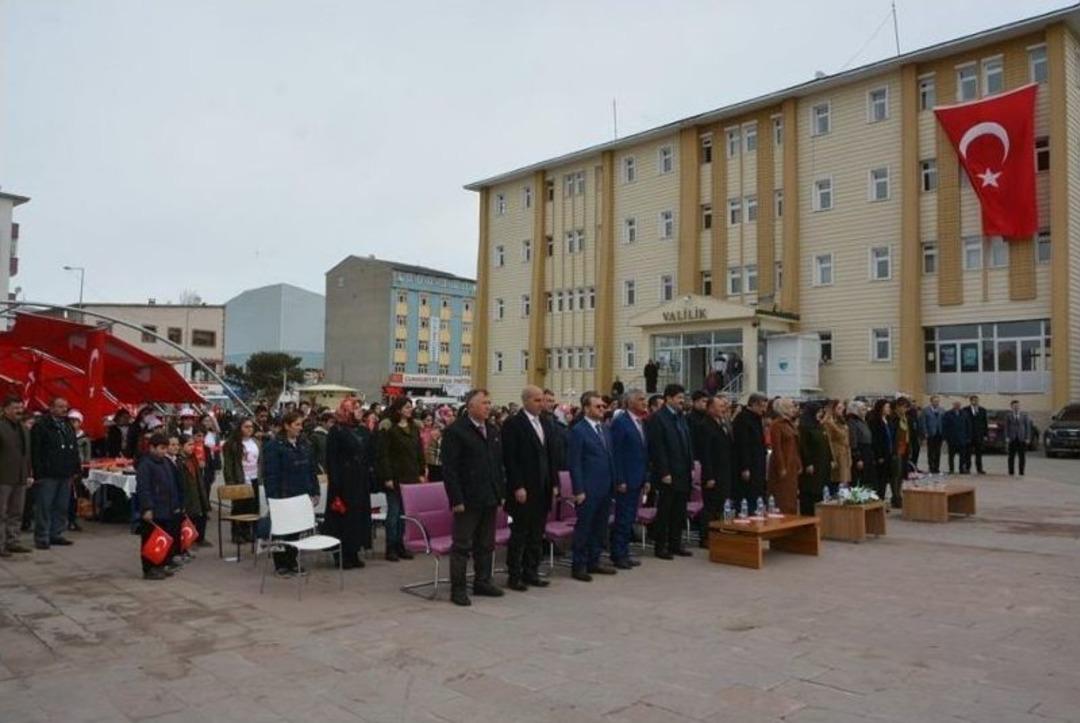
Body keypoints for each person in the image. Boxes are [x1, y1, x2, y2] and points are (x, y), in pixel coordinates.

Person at [441, 389, 505, 607]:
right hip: (467, 499)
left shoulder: (493, 430)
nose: (488, 406)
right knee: (462, 545)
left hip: (489, 496)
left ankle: (483, 581)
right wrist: (456, 499)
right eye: (484, 403)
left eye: (489, 402)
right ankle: (458, 589)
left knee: (486, 543)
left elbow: (497, 465)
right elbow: (450, 469)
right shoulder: (457, 431)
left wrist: (500, 493)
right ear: (470, 406)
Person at [501, 385, 559, 590]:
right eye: (537, 400)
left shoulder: (545, 422)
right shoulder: (513, 424)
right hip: (524, 488)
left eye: (543, 400)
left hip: (543, 486)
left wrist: (554, 483)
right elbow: (511, 459)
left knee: (537, 533)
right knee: (520, 533)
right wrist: (517, 486)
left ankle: (531, 571)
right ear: (526, 401)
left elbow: (551, 456)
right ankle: (514, 575)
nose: (542, 404)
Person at [262, 411, 320, 576]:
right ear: (286, 426)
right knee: (281, 531)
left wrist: (314, 491)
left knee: (297, 530)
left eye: (301, 425)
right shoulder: (274, 446)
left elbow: (311, 469)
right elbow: (270, 474)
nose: (300, 428)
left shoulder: (304, 444)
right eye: (296, 425)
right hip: (283, 495)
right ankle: (280, 563)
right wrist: (272, 498)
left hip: (301, 494)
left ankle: (292, 560)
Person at [567, 391, 617, 580]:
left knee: (600, 526)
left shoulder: (604, 428)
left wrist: (614, 480)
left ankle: (594, 561)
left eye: (603, 406)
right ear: (586, 408)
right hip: (588, 488)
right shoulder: (579, 430)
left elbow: (610, 456)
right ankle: (579, 565)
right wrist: (578, 489)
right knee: (585, 527)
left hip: (605, 485)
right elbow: (575, 463)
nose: (602, 409)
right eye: (598, 406)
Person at [324, 397, 373, 569]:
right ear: (348, 410)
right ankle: (341, 554)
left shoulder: (363, 430)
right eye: (357, 408)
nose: (361, 411)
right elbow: (332, 459)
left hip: (360, 479)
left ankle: (353, 551)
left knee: (357, 516)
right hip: (343, 481)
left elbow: (368, 453)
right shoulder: (336, 431)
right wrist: (335, 483)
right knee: (343, 517)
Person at [645, 383, 694, 560]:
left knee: (679, 511)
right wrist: (664, 472)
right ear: (669, 399)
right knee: (665, 511)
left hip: (683, 471)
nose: (683, 401)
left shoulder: (681, 417)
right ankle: (660, 546)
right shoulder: (658, 418)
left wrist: (691, 467)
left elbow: (687, 444)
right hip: (668, 474)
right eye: (679, 398)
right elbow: (658, 448)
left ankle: (676, 543)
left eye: (683, 397)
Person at [376, 397, 425, 562]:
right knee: (394, 513)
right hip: (395, 476)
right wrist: (387, 476)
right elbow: (383, 455)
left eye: (410, 407)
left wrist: (421, 470)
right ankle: (391, 547)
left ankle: (401, 545)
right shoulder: (389, 428)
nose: (409, 410)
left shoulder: (414, 428)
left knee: (405, 514)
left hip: (411, 476)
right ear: (398, 410)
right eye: (406, 407)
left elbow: (419, 451)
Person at [29, 397, 80, 550]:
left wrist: (75, 468)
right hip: (48, 473)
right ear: (51, 408)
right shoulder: (41, 426)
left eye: (66, 406)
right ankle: (42, 536)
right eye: (60, 406)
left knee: (61, 505)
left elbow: (74, 448)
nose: (64, 409)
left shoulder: (68, 425)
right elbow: (35, 451)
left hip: (65, 473)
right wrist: (39, 472)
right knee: (45, 505)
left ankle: (56, 533)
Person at [609, 388, 649, 568]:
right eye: (640, 399)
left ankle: (624, 551)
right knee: (623, 518)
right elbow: (616, 453)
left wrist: (646, 478)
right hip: (626, 479)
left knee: (630, 517)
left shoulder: (640, 422)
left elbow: (643, 452)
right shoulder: (621, 422)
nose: (644, 402)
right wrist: (620, 479)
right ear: (630, 402)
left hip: (638, 477)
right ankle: (618, 554)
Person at [136, 433, 182, 580]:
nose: (164, 451)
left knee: (163, 539)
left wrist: (176, 504)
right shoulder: (145, 465)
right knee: (150, 539)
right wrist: (147, 508)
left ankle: (161, 564)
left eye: (165, 448)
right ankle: (149, 568)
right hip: (153, 509)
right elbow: (143, 488)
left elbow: (173, 485)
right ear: (152, 448)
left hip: (167, 508)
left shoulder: (166, 463)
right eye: (161, 448)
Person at [694, 395, 733, 542]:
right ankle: (706, 538)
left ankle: (717, 534)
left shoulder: (721, 423)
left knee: (721, 505)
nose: (724, 409)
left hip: (724, 470)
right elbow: (705, 453)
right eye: (720, 406)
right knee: (710, 506)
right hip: (713, 473)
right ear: (710, 408)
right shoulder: (705, 425)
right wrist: (709, 476)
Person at [0, 396, 33, 557]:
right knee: (1, 513)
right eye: (15, 408)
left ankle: (13, 541)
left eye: (20, 408)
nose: (19, 411)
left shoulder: (24, 428)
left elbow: (27, 454)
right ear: (5, 409)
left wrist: (28, 473)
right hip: (3, 476)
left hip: (20, 476)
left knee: (16, 511)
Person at [222, 418, 261, 543]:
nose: (249, 429)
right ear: (240, 428)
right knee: (239, 507)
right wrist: (230, 482)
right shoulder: (232, 444)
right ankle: (236, 533)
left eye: (251, 427)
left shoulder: (256, 442)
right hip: (240, 479)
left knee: (252, 507)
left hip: (254, 477)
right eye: (246, 426)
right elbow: (228, 465)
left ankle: (247, 531)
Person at [732, 393, 769, 505]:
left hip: (758, 462)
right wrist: (745, 467)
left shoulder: (757, 418)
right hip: (749, 464)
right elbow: (743, 444)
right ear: (753, 404)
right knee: (749, 495)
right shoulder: (743, 419)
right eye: (762, 406)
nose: (763, 410)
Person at [797, 402, 832, 516]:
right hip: (812, 464)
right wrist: (808, 463)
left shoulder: (819, 425)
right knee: (810, 492)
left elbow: (826, 443)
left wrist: (830, 459)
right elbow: (804, 446)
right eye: (818, 412)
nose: (820, 414)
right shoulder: (804, 427)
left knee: (820, 490)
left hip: (822, 463)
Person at [177, 434, 210, 553]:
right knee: (189, 518)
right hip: (187, 493)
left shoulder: (193, 458)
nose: (192, 447)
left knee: (201, 515)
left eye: (193, 445)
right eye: (189, 445)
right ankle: (187, 543)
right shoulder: (179, 461)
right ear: (181, 446)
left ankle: (199, 538)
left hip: (197, 490)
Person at [767, 398, 801, 515]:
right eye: (791, 407)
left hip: (792, 464)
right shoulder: (777, 425)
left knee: (791, 495)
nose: (793, 410)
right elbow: (777, 448)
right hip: (783, 464)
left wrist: (798, 463)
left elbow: (795, 445)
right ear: (783, 409)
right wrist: (781, 467)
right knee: (782, 496)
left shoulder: (790, 424)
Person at [869, 400, 898, 507]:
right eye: (886, 407)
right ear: (881, 408)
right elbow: (876, 440)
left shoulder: (888, 420)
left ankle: (882, 499)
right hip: (881, 455)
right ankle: (878, 500)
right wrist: (879, 455)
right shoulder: (875, 421)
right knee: (879, 479)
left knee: (886, 479)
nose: (888, 409)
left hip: (889, 453)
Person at [822, 400, 852, 494]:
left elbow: (847, 439)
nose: (841, 410)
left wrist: (849, 456)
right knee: (835, 479)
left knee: (844, 481)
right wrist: (832, 458)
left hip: (844, 452)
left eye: (842, 408)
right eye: (838, 408)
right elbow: (829, 441)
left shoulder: (842, 421)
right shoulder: (828, 422)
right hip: (836, 452)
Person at [846, 401, 876, 490]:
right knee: (859, 477)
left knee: (868, 477)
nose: (865, 411)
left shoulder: (863, 421)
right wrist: (858, 458)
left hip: (867, 450)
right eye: (862, 410)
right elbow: (853, 440)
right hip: (860, 450)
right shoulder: (852, 422)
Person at [942, 400, 973, 474]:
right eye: (956, 405)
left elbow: (968, 426)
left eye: (958, 405)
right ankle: (951, 469)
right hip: (952, 439)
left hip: (962, 439)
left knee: (962, 456)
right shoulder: (948, 414)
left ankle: (961, 469)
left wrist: (968, 437)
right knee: (951, 456)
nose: (957, 406)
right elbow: (945, 426)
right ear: (953, 405)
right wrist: (945, 438)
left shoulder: (965, 414)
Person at [1004, 399, 1032, 476]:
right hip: (1012, 438)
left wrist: (1027, 437)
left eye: (1017, 406)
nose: (1016, 407)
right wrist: (1007, 437)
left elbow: (1027, 427)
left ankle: (1021, 472)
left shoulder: (1024, 415)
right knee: (1011, 457)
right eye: (1014, 406)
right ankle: (1011, 471)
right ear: (1011, 407)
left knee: (1022, 456)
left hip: (1021, 438)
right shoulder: (1008, 415)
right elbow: (1006, 427)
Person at [919, 395, 946, 474]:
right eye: (935, 401)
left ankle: (936, 468)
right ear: (931, 402)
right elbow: (923, 423)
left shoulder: (942, 410)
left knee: (938, 451)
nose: (936, 403)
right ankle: (931, 467)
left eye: (937, 401)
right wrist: (925, 432)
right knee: (931, 452)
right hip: (930, 433)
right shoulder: (926, 410)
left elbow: (944, 422)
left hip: (939, 433)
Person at [962, 395, 988, 474]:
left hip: (979, 435)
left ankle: (979, 469)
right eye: (974, 400)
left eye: (977, 400)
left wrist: (985, 434)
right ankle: (967, 468)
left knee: (979, 454)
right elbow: (963, 423)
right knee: (968, 453)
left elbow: (985, 423)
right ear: (970, 401)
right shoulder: (965, 410)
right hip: (969, 435)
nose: (975, 402)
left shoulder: (982, 410)